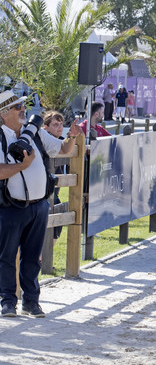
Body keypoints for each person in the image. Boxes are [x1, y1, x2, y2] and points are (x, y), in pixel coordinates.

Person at [0, 91, 82, 318]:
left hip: (39, 206)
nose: (23, 110)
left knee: (33, 257)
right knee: (6, 257)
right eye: (17, 107)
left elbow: (63, 150)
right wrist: (22, 166)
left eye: (22, 105)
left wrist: (72, 136)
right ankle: (8, 302)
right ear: (4, 113)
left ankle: (31, 302)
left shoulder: (34, 133)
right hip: (10, 208)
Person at [42, 111, 83, 243]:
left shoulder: (62, 141)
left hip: (55, 188)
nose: (59, 127)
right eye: (55, 124)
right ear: (45, 128)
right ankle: (41, 260)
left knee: (56, 224)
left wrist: (73, 136)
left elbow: (67, 148)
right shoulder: (43, 140)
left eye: (61, 124)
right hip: (43, 189)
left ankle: (43, 261)